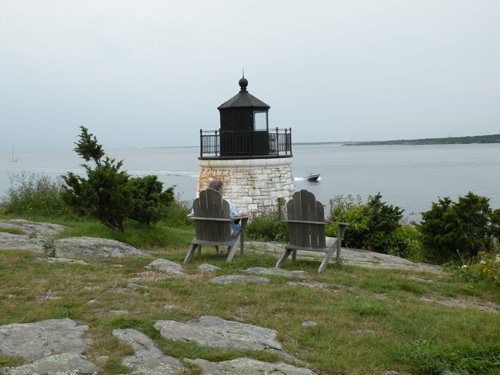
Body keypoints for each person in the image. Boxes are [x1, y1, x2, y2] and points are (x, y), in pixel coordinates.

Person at [207, 179, 248, 256]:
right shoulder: (227, 204)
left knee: (214, 224)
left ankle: (217, 251)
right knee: (237, 226)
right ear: (221, 191)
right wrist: (245, 212)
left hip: (209, 233)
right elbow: (239, 214)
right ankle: (229, 252)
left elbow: (193, 213)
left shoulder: (201, 204)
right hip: (226, 234)